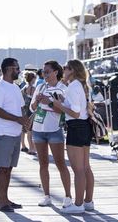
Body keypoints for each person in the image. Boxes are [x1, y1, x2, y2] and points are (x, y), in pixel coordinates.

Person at [53, 59, 94, 214]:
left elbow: (75, 113)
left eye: (65, 68)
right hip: (85, 126)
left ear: (72, 70)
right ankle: (88, 201)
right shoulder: (82, 85)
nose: (63, 70)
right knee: (85, 167)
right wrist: (64, 102)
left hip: (75, 127)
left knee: (78, 170)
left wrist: (59, 106)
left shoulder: (72, 86)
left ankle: (77, 205)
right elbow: (79, 108)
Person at [29, 60, 72, 207]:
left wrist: (49, 102)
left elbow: (65, 111)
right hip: (38, 130)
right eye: (43, 72)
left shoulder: (63, 88)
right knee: (43, 164)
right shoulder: (40, 86)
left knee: (61, 164)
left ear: (56, 72)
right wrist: (37, 101)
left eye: (47, 71)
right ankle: (46, 196)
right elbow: (32, 108)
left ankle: (68, 196)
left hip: (54, 130)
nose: (44, 74)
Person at [0, 57, 28, 212]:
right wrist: (17, 119)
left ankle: (6, 199)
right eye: (16, 68)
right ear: (9, 69)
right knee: (3, 168)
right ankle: (0, 202)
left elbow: (21, 108)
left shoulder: (15, 88)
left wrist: (24, 121)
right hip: (3, 133)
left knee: (9, 168)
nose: (18, 71)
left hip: (15, 133)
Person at [21, 71, 37, 155]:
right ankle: (31, 148)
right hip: (31, 111)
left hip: (24, 110)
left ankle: (23, 146)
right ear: (33, 79)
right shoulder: (33, 89)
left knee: (24, 130)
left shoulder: (23, 88)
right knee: (30, 130)